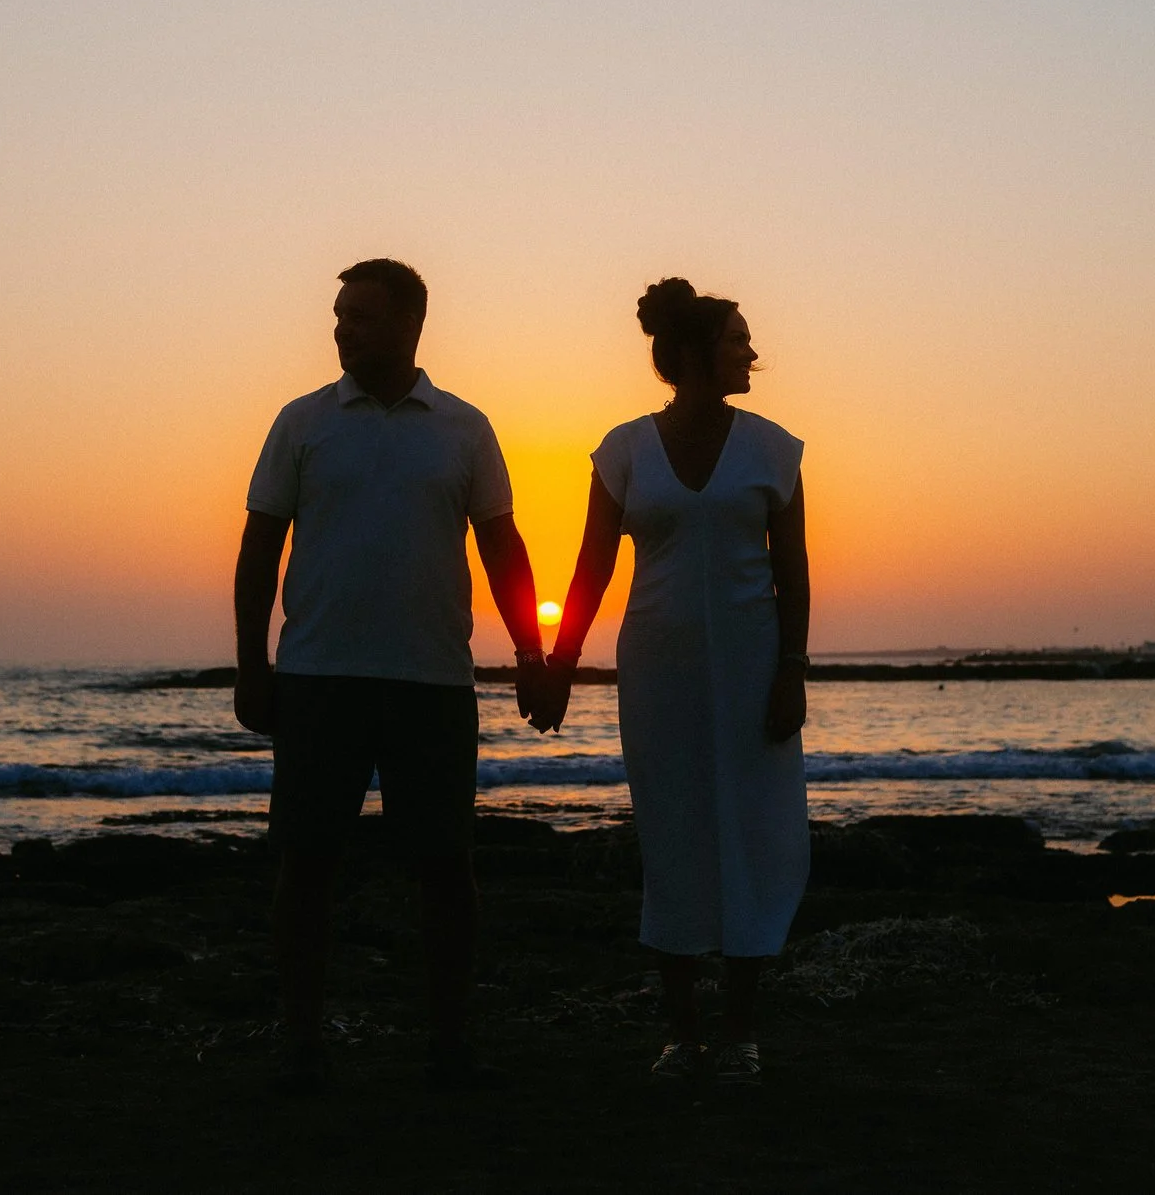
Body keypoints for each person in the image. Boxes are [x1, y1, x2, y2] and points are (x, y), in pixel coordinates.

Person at [233, 258, 549, 1097]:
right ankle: (301, 1042)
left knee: (446, 867)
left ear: (411, 323)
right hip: (318, 678)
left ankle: (449, 1047)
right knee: (306, 863)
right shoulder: (302, 423)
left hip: (430, 682)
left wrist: (530, 652)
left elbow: (502, 547)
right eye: (338, 315)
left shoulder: (463, 427)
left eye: (360, 316)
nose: (341, 328)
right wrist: (251, 663)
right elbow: (259, 545)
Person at [537, 276, 810, 1086]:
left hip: (755, 667)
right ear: (692, 354)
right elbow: (589, 569)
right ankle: (683, 1035)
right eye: (737, 339)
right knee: (674, 839)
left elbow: (791, 572)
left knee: (756, 836)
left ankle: (742, 1033)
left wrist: (791, 668)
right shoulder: (622, 450)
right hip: (656, 671)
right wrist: (559, 664)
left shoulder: (774, 448)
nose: (752, 351)